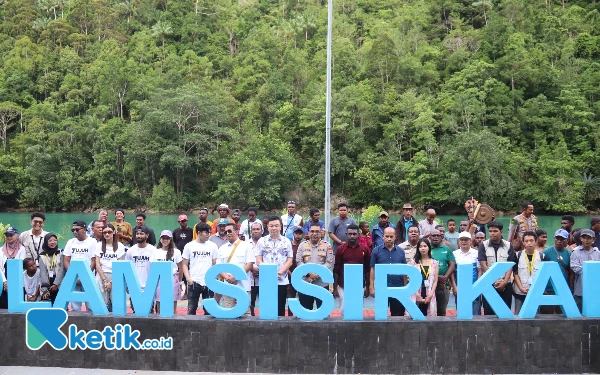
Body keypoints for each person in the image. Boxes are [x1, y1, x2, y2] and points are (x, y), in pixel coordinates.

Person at [256, 216, 294, 317]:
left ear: (280, 227)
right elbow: (258, 259)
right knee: (266, 307)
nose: (274, 228)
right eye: (271, 226)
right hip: (266, 280)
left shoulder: (287, 241)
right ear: (267, 227)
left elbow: (289, 260)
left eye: (276, 225)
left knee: (280, 307)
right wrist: (269, 272)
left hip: (281, 279)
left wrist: (279, 272)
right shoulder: (261, 241)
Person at [477, 221, 517, 315]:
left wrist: (505, 281)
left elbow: (510, 265)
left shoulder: (508, 245)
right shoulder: (483, 245)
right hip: (489, 284)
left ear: (501, 232)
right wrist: (494, 281)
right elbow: (483, 265)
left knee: (505, 313)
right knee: (488, 313)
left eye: (495, 231)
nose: (492, 233)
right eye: (490, 231)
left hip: (505, 284)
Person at [216, 222, 254, 314]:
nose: (228, 233)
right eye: (225, 232)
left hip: (243, 286)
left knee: (245, 313)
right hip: (227, 286)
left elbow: (249, 264)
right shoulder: (222, 248)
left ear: (237, 231)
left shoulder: (247, 246)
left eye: (229, 231)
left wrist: (235, 276)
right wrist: (226, 277)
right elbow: (219, 266)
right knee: (228, 312)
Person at [369, 227, 407, 316]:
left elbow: (404, 269)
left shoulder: (401, 251)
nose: (389, 239)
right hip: (381, 288)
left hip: (398, 288)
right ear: (383, 237)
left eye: (391, 236)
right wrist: (371, 287)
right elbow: (372, 269)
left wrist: (405, 287)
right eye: (387, 236)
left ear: (395, 237)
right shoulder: (376, 251)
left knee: (397, 315)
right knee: (381, 315)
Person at [295, 223, 334, 310]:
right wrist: (309, 275)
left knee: (323, 311)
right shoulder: (302, 245)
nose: (315, 233)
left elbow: (329, 262)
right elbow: (299, 261)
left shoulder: (327, 246)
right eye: (312, 231)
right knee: (306, 311)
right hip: (306, 283)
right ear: (308, 233)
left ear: (321, 233)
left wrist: (317, 274)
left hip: (322, 283)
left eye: (317, 231)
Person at [333, 224, 370, 314]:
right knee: (343, 310)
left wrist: (367, 287)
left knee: (357, 311)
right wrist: (335, 288)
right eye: (350, 234)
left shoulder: (365, 249)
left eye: (354, 234)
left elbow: (367, 270)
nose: (352, 236)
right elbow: (336, 269)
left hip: (359, 284)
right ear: (346, 234)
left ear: (358, 234)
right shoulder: (340, 249)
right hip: (343, 284)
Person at [182, 223, 218, 315]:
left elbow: (215, 263)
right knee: (191, 309)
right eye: (206, 233)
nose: (208, 235)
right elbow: (184, 264)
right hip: (194, 281)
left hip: (208, 281)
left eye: (209, 232)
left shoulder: (213, 246)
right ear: (199, 232)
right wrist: (188, 279)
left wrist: (215, 277)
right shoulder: (189, 246)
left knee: (209, 311)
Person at [63, 220, 97, 312]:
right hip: (74, 278)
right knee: (75, 306)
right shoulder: (71, 242)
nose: (75, 232)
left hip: (88, 277)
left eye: (77, 230)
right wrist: (73, 276)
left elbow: (94, 261)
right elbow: (66, 260)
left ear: (85, 229)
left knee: (91, 305)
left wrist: (84, 277)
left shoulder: (92, 242)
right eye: (73, 230)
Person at [512, 231, 546, 314]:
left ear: (536, 242)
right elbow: (515, 273)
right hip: (520, 292)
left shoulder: (542, 256)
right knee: (518, 315)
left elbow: (543, 276)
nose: (529, 243)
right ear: (523, 243)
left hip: (535, 291)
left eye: (531, 240)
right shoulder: (517, 255)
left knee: (535, 315)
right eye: (526, 241)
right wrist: (521, 288)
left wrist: (536, 288)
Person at [94, 223, 126, 312]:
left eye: (109, 232)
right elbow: (97, 264)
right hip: (101, 275)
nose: (107, 234)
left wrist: (111, 282)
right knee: (102, 303)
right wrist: (104, 280)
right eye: (104, 233)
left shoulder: (120, 246)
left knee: (116, 302)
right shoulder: (98, 245)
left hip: (115, 275)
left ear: (114, 232)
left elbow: (120, 265)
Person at [151, 230, 183, 315]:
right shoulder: (155, 252)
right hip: (159, 280)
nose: (165, 240)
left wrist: (179, 282)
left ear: (171, 239)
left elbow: (180, 267)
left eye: (167, 238)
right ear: (160, 239)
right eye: (163, 238)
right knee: (159, 308)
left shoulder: (176, 252)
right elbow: (152, 268)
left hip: (172, 279)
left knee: (173, 308)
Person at [541, 229, 573, 314]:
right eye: (557, 238)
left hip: (563, 288)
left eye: (562, 239)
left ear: (567, 240)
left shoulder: (569, 254)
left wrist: (570, 288)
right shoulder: (547, 252)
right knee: (546, 313)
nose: (559, 241)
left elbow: (571, 273)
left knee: (561, 314)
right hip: (549, 288)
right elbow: (541, 271)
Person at [125, 226, 156, 313]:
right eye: (137, 234)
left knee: (149, 311)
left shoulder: (153, 250)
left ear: (147, 235)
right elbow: (127, 268)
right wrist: (128, 284)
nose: (139, 236)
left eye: (141, 234)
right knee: (135, 311)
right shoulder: (130, 251)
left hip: (149, 286)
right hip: (135, 286)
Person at [450, 232, 482, 315]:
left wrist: (478, 286)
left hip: (473, 287)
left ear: (471, 241)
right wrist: (454, 286)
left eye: (466, 240)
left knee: (475, 312)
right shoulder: (454, 254)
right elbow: (452, 272)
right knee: (461, 312)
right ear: (458, 241)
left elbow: (479, 271)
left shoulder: (476, 253)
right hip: (459, 288)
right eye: (462, 240)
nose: (464, 242)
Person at [570, 229, 600, 312]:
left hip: (595, 288)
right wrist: (590, 268)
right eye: (584, 238)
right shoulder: (576, 252)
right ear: (580, 238)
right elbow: (574, 267)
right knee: (580, 311)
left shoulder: (597, 252)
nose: (586, 240)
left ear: (593, 239)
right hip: (580, 288)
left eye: (589, 238)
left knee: (594, 312)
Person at [408, 239, 438, 316]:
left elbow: (435, 281)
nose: (423, 248)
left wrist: (431, 294)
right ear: (418, 248)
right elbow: (411, 280)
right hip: (416, 293)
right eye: (420, 246)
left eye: (425, 246)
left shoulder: (434, 263)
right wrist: (417, 294)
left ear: (429, 247)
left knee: (429, 317)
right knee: (414, 317)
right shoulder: (414, 262)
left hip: (429, 293)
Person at [429, 229, 455, 316]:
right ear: (430, 237)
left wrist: (445, 277)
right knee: (428, 310)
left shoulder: (447, 249)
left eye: (438, 236)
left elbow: (452, 264)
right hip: (429, 284)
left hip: (443, 285)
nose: (436, 237)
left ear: (441, 237)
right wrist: (437, 277)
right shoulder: (426, 248)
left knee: (442, 311)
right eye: (433, 236)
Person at [0, 227, 27, 309]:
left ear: (16, 235)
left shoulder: (22, 249)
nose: (9, 237)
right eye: (7, 235)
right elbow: (0, 268)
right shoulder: (1, 250)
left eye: (11, 235)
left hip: (18, 281)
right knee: (4, 305)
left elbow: (22, 267)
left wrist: (13, 282)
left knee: (17, 306)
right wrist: (4, 282)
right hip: (4, 282)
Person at [39, 233, 64, 304]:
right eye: (50, 241)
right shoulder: (42, 256)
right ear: (46, 242)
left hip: (59, 283)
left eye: (55, 240)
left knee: (60, 305)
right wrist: (45, 289)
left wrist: (56, 284)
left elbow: (62, 269)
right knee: (47, 305)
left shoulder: (61, 253)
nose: (53, 242)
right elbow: (43, 273)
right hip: (47, 283)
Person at [246, 222, 263, 316]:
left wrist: (260, 269)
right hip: (250, 278)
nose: (256, 231)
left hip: (263, 279)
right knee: (250, 303)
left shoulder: (266, 243)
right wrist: (252, 268)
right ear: (250, 231)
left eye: (258, 229)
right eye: (254, 229)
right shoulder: (245, 244)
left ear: (262, 231)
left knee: (265, 302)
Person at [288, 226, 304, 315]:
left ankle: (301, 316)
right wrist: (291, 275)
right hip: (290, 277)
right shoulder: (288, 245)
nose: (298, 235)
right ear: (293, 234)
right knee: (291, 300)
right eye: (296, 233)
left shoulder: (305, 246)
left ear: (303, 234)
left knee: (303, 300)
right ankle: (290, 319)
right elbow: (284, 262)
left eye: (300, 233)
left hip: (303, 277)